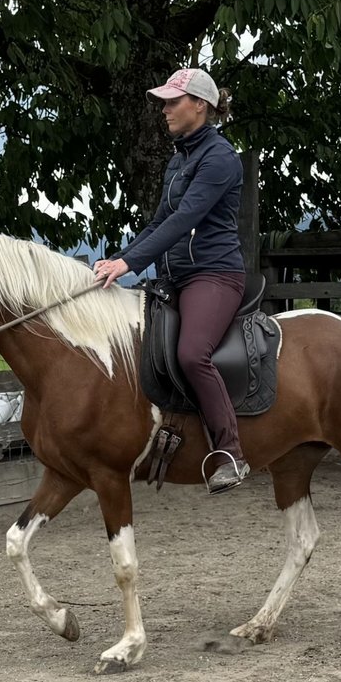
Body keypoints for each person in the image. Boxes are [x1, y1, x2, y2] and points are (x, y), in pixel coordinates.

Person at [94, 67, 249, 493]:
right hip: (174, 277)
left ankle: (231, 453)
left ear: (200, 104)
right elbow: (160, 221)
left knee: (191, 353)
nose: (164, 110)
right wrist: (120, 259)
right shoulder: (179, 159)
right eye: (163, 102)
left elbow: (185, 220)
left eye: (171, 102)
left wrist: (130, 265)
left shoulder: (219, 157)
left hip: (213, 275)